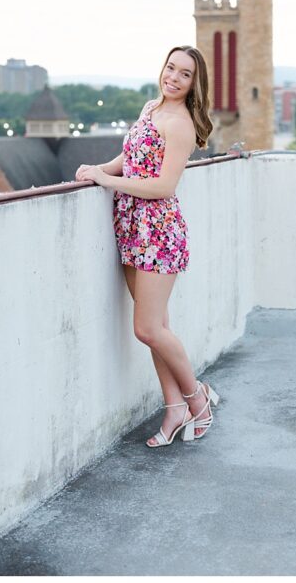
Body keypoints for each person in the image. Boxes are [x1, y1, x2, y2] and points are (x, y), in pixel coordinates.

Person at [76, 45, 220, 448]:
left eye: (184, 74)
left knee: (147, 328)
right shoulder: (150, 108)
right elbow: (131, 157)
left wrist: (110, 183)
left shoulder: (181, 124)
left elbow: (163, 186)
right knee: (159, 328)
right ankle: (174, 407)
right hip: (131, 228)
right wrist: (98, 170)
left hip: (158, 232)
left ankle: (198, 399)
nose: (173, 77)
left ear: (195, 83)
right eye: (170, 68)